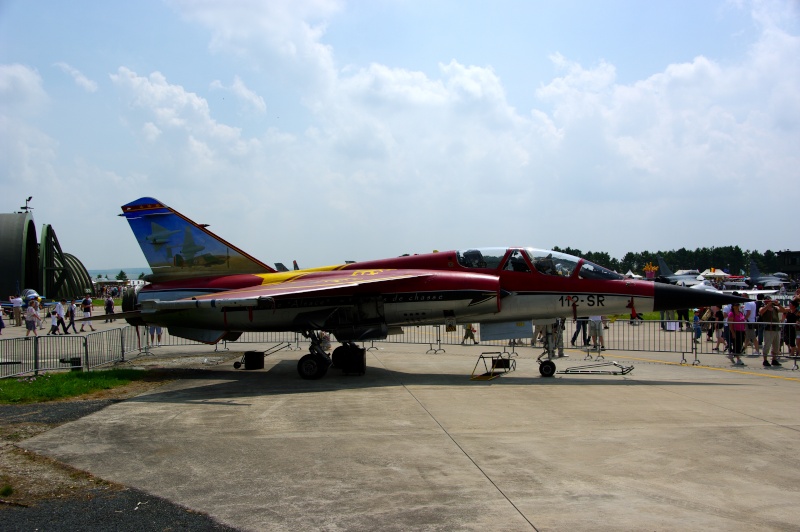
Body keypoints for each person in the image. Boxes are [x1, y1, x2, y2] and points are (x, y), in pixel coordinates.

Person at [758, 296, 783, 367]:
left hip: (776, 329)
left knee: (776, 345)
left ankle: (774, 359)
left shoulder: (775, 308)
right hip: (768, 330)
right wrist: (768, 305)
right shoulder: (762, 308)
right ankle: (765, 360)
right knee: (767, 345)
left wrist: (778, 304)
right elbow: (761, 311)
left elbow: (783, 310)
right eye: (767, 300)